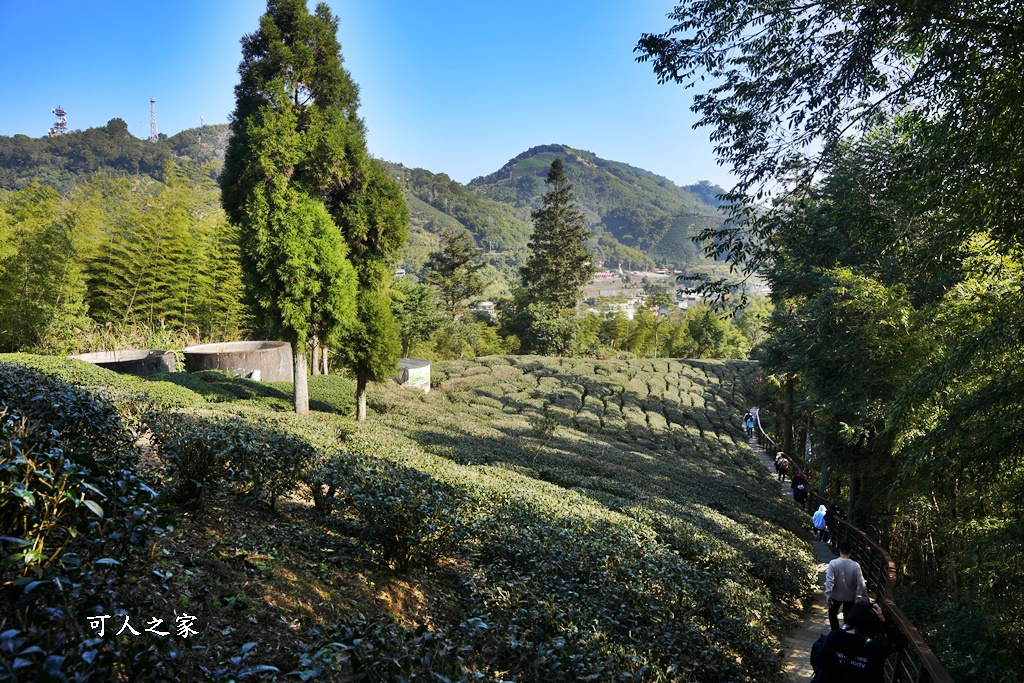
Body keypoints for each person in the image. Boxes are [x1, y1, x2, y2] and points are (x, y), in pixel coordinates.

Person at [811, 599, 908, 683]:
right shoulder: (876, 646)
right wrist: (883, 620)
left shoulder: (836, 636)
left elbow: (820, 659)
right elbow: (900, 642)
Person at [824, 540, 868, 631]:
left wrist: (828, 594)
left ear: (839, 550)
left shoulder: (833, 563)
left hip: (835, 596)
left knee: (832, 614)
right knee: (848, 617)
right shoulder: (856, 566)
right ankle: (845, 633)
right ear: (850, 551)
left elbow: (829, 580)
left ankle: (835, 632)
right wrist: (864, 597)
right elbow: (861, 582)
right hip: (850, 597)